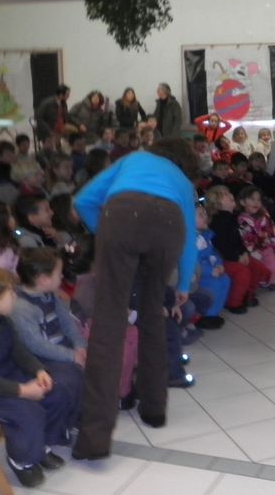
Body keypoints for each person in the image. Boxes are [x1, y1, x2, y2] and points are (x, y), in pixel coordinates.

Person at [71, 137, 199, 460]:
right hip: (168, 228)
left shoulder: (134, 160)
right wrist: (183, 284)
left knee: (107, 327)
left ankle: (95, 440)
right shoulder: (182, 181)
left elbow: (84, 200)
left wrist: (106, 235)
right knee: (153, 315)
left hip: (123, 217)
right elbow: (189, 238)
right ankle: (154, 409)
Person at [0, 267, 80, 488]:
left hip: (9, 378)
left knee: (57, 390)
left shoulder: (2, 321)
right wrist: (24, 391)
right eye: (10, 293)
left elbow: (19, 352)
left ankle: (44, 445)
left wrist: (39, 371)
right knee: (28, 412)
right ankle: (22, 461)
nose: (15, 296)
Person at [11, 247, 88, 368]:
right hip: (44, 360)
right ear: (44, 280)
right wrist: (72, 356)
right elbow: (37, 346)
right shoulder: (22, 308)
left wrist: (79, 344)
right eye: (59, 273)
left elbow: (67, 322)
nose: (62, 276)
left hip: (63, 350)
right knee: (74, 379)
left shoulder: (49, 293)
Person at [204, 185, 270, 313]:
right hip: (224, 259)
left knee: (258, 268)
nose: (229, 195)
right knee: (242, 272)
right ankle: (234, 302)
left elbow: (238, 240)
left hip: (236, 255)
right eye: (224, 194)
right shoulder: (218, 221)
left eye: (228, 192)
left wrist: (244, 253)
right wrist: (237, 257)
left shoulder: (232, 217)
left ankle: (248, 294)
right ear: (217, 203)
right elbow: (221, 246)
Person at [237, 185, 275, 288]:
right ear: (242, 202)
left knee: (274, 265)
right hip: (252, 250)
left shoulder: (264, 215)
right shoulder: (242, 220)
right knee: (258, 267)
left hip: (266, 246)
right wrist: (252, 250)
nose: (256, 202)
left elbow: (271, 230)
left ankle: (267, 281)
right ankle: (261, 281)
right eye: (252, 199)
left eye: (258, 199)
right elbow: (245, 237)